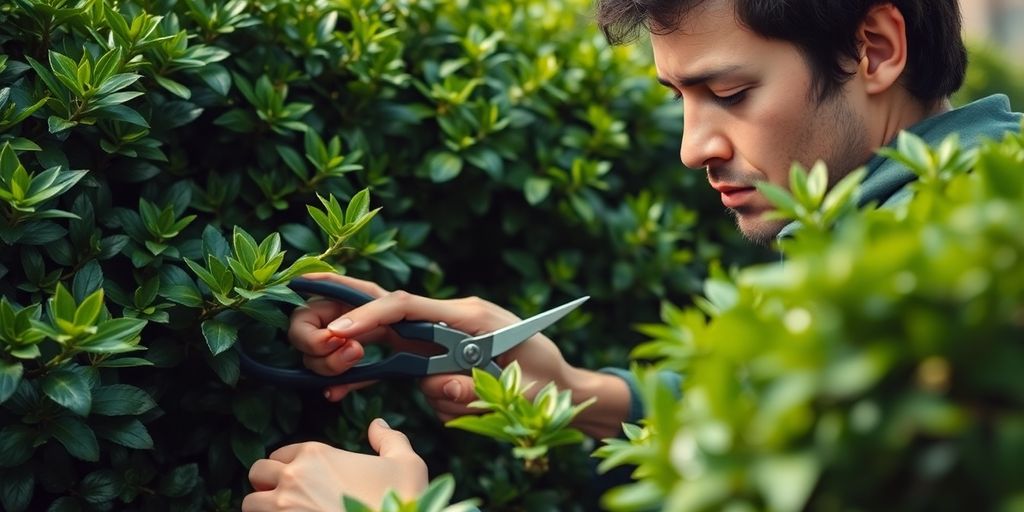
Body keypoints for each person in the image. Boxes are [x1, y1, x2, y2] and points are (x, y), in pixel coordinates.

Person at [241, 0, 1023, 509]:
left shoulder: (955, 291)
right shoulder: (908, 230)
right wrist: (574, 389)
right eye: (677, 97)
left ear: (876, 50)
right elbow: (770, 413)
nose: (692, 148)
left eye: (729, 92)